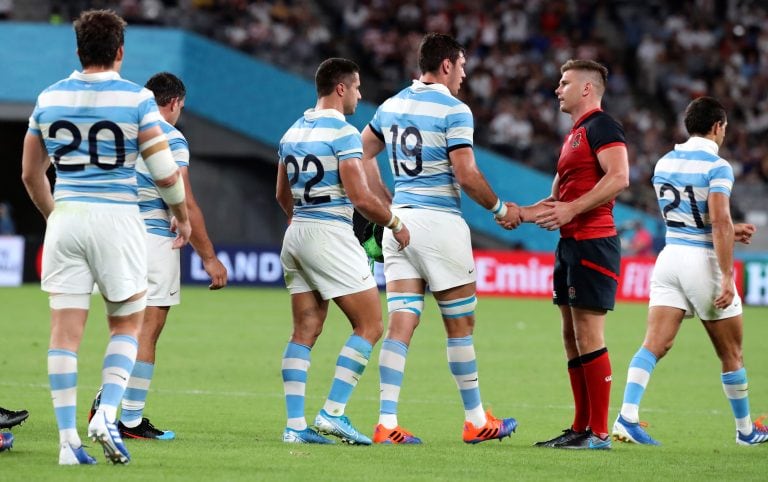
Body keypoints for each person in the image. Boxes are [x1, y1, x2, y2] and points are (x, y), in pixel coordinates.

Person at [21, 9, 191, 465]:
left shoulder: (48, 98)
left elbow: (30, 173)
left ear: (78, 50)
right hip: (118, 217)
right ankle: (108, 413)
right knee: (126, 324)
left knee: (64, 334)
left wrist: (55, 215)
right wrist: (183, 216)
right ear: (120, 51)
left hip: (68, 215)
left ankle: (66, 443)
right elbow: (165, 173)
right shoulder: (137, 100)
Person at [360, 32, 521, 445]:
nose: (465, 75)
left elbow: (360, 155)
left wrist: (385, 202)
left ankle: (386, 421)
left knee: (401, 323)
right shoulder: (454, 110)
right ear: (446, 65)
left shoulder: (391, 106)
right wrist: (500, 209)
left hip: (400, 225)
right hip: (440, 224)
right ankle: (474, 419)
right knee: (461, 324)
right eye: (462, 66)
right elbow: (466, 174)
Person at [612, 96, 768, 446]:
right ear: (717, 127)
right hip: (702, 264)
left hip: (669, 258)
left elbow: (693, 218)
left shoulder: (665, 162)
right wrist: (727, 274)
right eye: (725, 128)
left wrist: (728, 228)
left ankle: (627, 415)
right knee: (732, 353)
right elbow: (718, 221)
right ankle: (746, 431)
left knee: (654, 344)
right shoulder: (718, 167)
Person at [276, 57, 410, 445]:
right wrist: (395, 224)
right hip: (329, 233)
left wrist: (297, 220)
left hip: (297, 231)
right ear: (340, 88)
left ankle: (295, 426)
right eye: (356, 87)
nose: (359, 94)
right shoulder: (345, 133)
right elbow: (360, 197)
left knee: (304, 330)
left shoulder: (291, 132)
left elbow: (281, 194)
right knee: (370, 325)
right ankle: (333, 412)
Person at [88, 72, 228, 440]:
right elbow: (185, 199)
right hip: (150, 242)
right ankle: (129, 420)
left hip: (112, 237)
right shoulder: (170, 136)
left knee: (123, 329)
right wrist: (209, 258)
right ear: (176, 103)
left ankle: (107, 400)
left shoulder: (120, 130)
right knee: (148, 330)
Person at [518, 59, 629, 450]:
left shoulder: (602, 125)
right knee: (571, 336)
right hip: (570, 243)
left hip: (593, 241)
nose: (557, 88)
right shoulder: (574, 135)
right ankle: (580, 427)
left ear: (586, 88)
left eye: (564, 82)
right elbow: (558, 199)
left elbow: (619, 177)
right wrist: (522, 213)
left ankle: (598, 432)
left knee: (587, 333)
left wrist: (572, 209)